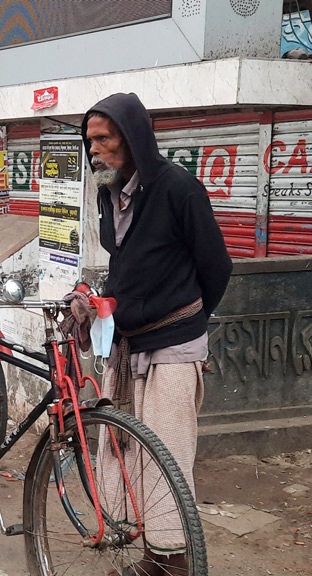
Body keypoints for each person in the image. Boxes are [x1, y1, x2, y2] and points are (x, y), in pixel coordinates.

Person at [83, 93, 232, 576]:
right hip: (127, 345)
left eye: (104, 139)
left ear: (133, 138)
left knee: (167, 457)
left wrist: (185, 319)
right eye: (90, 141)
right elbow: (127, 264)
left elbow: (217, 267)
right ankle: (154, 557)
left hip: (171, 347)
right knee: (130, 454)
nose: (95, 150)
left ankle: (175, 564)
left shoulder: (179, 190)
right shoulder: (110, 193)